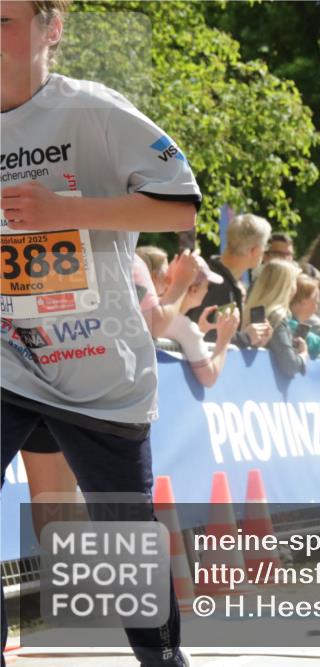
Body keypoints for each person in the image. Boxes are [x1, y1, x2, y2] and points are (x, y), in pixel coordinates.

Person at [1, 1, 199, 663]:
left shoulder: (91, 110)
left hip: (94, 359)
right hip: (7, 355)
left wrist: (66, 210)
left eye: (4, 20)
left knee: (121, 527)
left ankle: (160, 652)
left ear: (50, 30)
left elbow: (179, 204)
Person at [185, 212, 273, 348]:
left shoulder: (217, 277)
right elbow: (208, 334)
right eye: (265, 246)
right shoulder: (216, 283)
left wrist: (251, 337)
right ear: (254, 250)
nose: (265, 252)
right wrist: (246, 337)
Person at [161, 256, 240, 387]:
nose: (208, 290)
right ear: (194, 290)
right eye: (207, 285)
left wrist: (200, 331)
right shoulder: (185, 328)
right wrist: (224, 339)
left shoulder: (152, 311)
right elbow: (209, 378)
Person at [244, 259, 309, 379]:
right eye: (294, 282)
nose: (295, 289)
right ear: (286, 287)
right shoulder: (277, 318)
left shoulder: (247, 312)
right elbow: (289, 365)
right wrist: (302, 356)